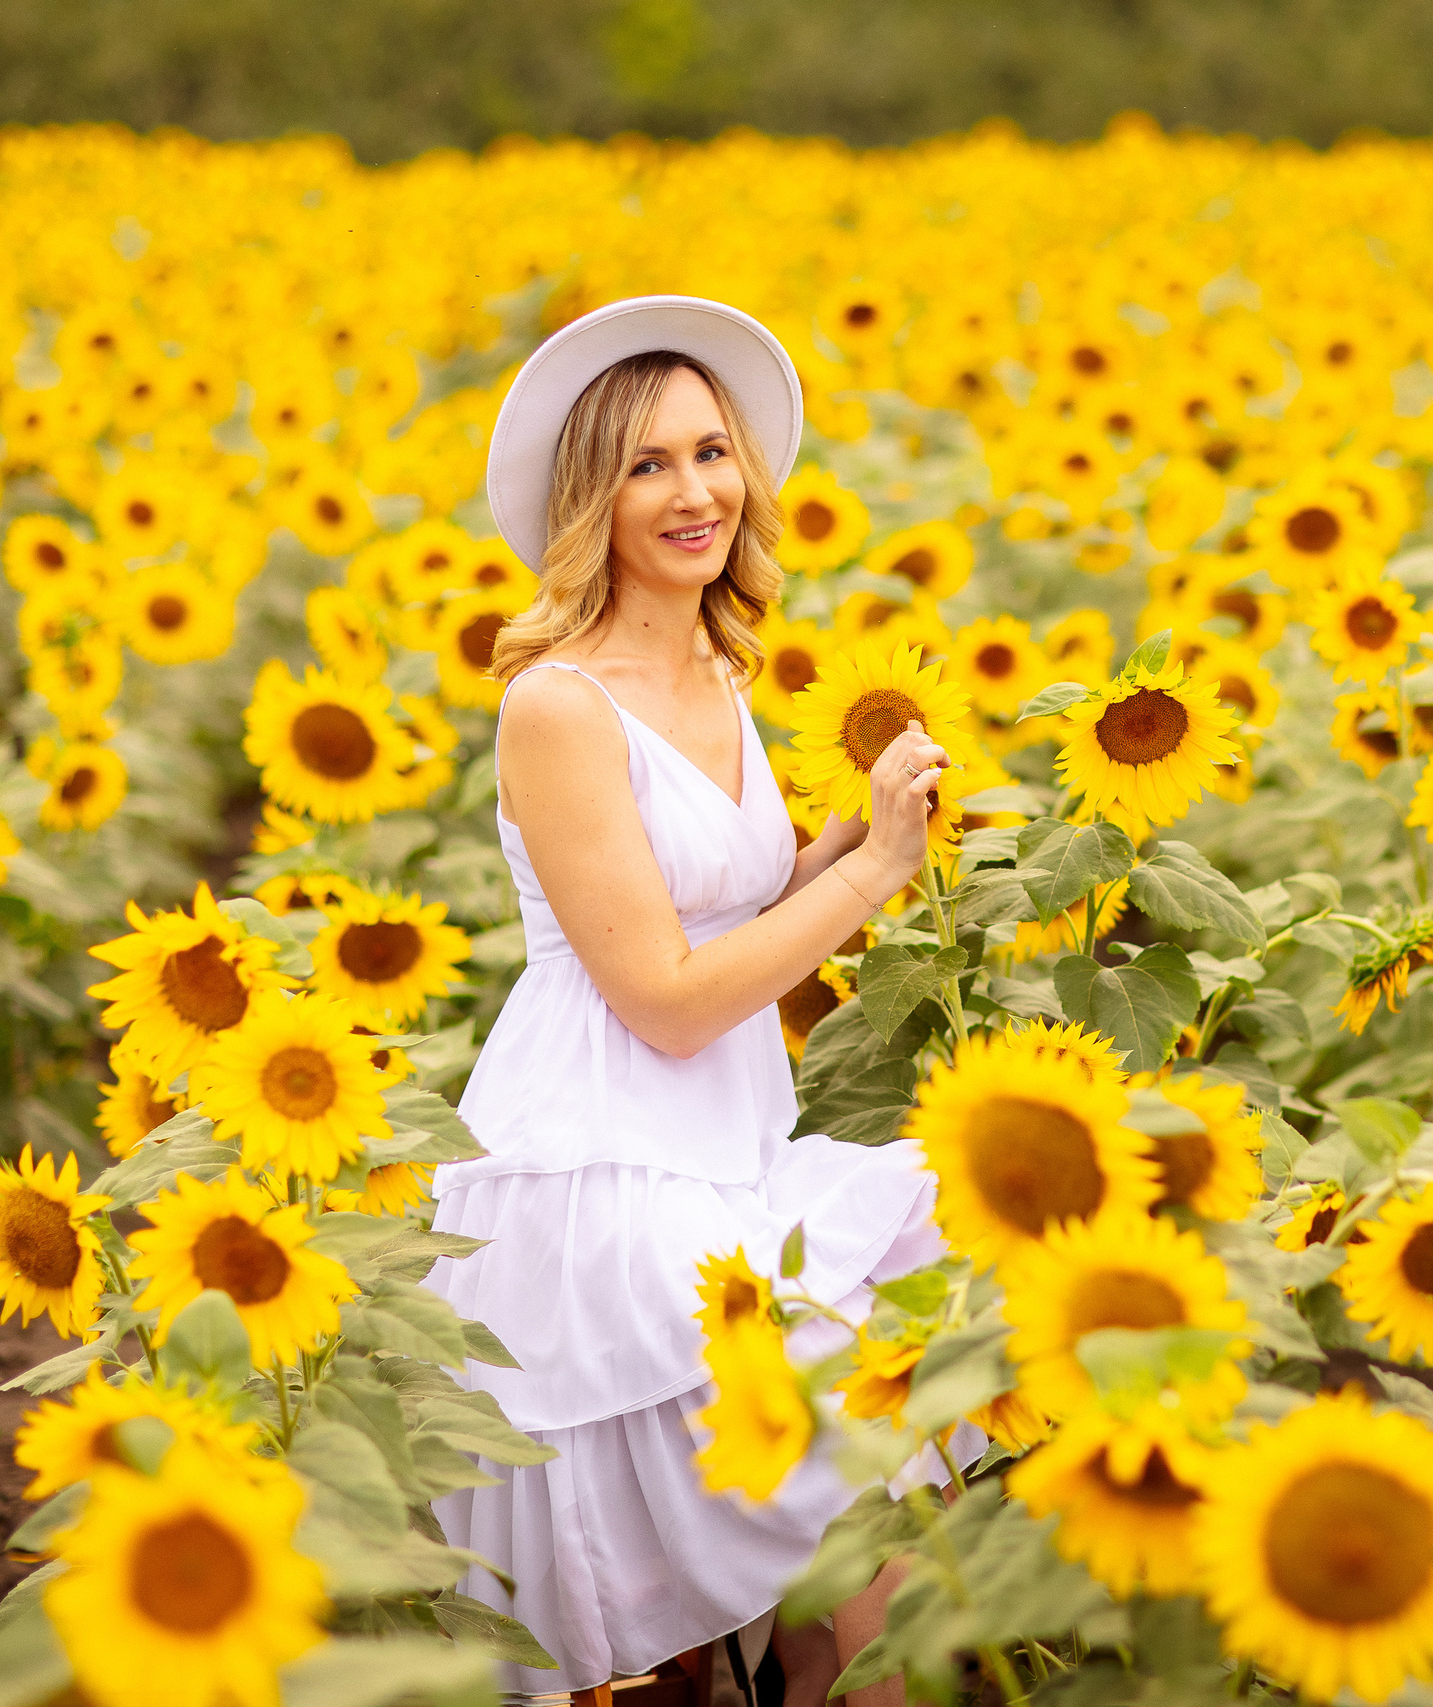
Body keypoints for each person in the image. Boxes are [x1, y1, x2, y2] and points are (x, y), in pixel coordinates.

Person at [423, 297, 946, 1707]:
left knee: (845, 1578)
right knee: (830, 1578)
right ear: (590, 498)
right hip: (598, 1180)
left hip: (728, 1160)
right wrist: (877, 874)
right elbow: (660, 996)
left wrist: (836, 847)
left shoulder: (720, 668)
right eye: (648, 465)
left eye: (712, 453)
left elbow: (724, 900)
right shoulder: (558, 707)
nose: (696, 490)